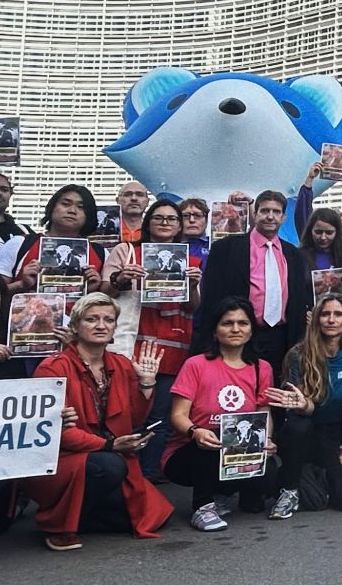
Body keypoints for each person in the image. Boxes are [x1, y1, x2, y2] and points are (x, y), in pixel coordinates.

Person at [24, 293, 172, 550]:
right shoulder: (53, 367)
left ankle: (79, 516)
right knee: (110, 467)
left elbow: (135, 418)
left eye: (108, 320)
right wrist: (110, 445)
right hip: (61, 459)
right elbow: (54, 431)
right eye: (91, 319)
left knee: (153, 516)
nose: (101, 325)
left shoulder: (121, 364)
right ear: (76, 326)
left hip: (108, 455)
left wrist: (147, 384)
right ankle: (57, 525)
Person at [98, 199, 200, 479]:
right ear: (147, 222)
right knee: (127, 412)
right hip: (131, 343)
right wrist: (121, 278)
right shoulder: (127, 251)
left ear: (180, 225)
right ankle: (123, 472)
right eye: (158, 218)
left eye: (171, 219)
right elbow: (104, 292)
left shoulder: (189, 259)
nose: (165, 223)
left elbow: (192, 307)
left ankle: (149, 472)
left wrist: (191, 285)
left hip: (174, 346)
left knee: (161, 416)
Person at [165, 299, 285, 533]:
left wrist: (266, 440)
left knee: (267, 479)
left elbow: (263, 412)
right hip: (193, 452)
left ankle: (224, 493)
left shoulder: (262, 368)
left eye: (243, 323)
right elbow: (178, 415)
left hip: (239, 452)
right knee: (216, 437)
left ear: (251, 330)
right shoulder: (195, 365)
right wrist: (195, 431)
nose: (236, 329)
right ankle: (202, 507)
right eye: (227, 323)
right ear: (215, 329)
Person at [272, 294, 342, 518]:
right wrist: (303, 405)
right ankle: (290, 487)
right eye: (325, 314)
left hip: (335, 433)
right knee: (299, 425)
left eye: (338, 314)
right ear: (316, 319)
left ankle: (312, 474)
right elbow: (303, 407)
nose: (331, 320)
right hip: (304, 430)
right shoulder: (298, 354)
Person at [193, 190, 311, 372]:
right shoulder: (225, 248)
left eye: (276, 212)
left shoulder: (294, 254)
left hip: (281, 337)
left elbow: (298, 299)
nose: (270, 217)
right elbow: (211, 299)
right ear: (254, 214)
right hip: (237, 334)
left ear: (284, 217)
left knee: (275, 393)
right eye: (264, 211)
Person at [0, 184, 101, 293]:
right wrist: (22, 284)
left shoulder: (101, 253)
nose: (72, 210)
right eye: (65, 204)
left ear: (89, 215)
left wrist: (95, 290)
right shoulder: (19, 244)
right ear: (52, 207)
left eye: (81, 207)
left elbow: (113, 296)